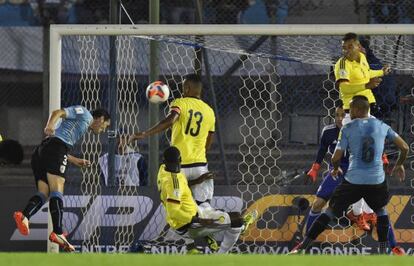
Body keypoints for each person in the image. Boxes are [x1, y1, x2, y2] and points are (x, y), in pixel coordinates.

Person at [290, 96, 409, 255]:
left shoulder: (349, 128)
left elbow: (336, 157)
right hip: (369, 178)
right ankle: (383, 251)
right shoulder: (380, 126)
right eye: (340, 114)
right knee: (380, 211)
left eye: (349, 111)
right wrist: (399, 163)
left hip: (352, 177)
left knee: (332, 211)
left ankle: (304, 247)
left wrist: (335, 167)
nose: (345, 116)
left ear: (358, 110)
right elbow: (404, 147)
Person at [13, 105, 110, 252]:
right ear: (101, 119)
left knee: (43, 193)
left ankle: (24, 216)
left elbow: (58, 143)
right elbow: (57, 112)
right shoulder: (84, 113)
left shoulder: (79, 125)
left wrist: (74, 160)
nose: (103, 130)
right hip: (55, 149)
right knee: (57, 191)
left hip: (42, 151)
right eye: (105, 126)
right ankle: (57, 232)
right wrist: (49, 126)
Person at [334, 32, 392, 227]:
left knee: (370, 167)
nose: (346, 50)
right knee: (362, 167)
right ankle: (358, 212)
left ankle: (364, 212)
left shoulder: (363, 59)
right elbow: (344, 89)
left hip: (367, 112)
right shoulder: (342, 64)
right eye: (344, 47)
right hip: (352, 115)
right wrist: (366, 85)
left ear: (358, 46)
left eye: (349, 46)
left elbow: (369, 74)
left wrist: (381, 72)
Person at [158, 146, 257, 254]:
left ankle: (201, 239)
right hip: (190, 225)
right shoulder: (173, 182)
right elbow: (174, 212)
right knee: (237, 220)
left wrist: (198, 181)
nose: (175, 166)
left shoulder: (163, 170)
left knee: (210, 208)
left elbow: (179, 186)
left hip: (191, 215)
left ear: (164, 161)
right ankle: (222, 253)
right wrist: (200, 221)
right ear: (181, 160)